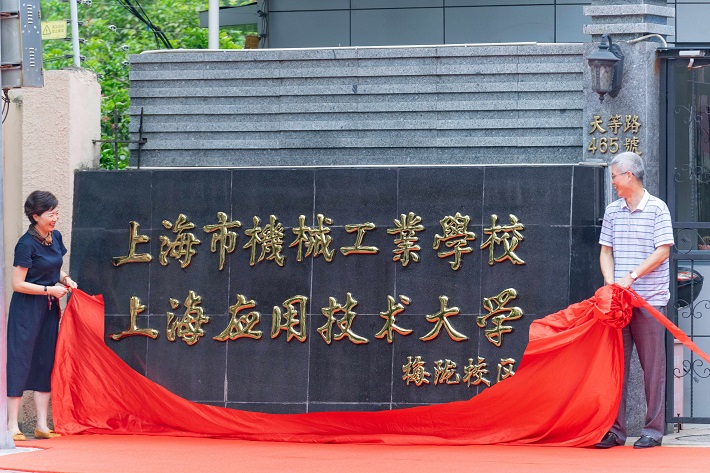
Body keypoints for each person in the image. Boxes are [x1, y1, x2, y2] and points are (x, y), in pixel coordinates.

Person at [595, 152, 675, 449]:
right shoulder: (613, 210)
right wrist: (610, 282)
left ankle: (653, 431)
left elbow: (663, 251)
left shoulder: (657, 208)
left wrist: (631, 276)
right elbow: (606, 251)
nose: (613, 182)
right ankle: (615, 431)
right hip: (619, 304)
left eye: (614, 176)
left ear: (629, 175)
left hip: (649, 300)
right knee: (616, 366)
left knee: (652, 368)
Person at [6, 191, 78, 442]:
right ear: (36, 216)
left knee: (45, 360)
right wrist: (49, 289)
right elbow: (18, 283)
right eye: (50, 214)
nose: (55, 218)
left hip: (48, 309)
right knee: (20, 360)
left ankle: (41, 424)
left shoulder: (54, 237)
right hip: (26, 309)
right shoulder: (26, 244)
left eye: (57, 213)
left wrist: (66, 279)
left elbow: (54, 268)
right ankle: (11, 425)